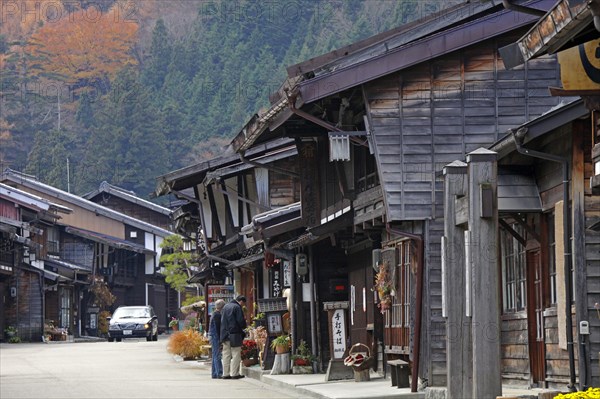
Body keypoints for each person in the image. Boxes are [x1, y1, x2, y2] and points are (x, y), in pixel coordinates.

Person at [220, 295, 247, 379]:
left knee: (226, 354)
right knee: (235, 354)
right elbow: (240, 321)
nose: (243, 306)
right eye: (243, 304)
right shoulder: (237, 307)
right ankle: (234, 373)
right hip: (234, 334)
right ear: (241, 301)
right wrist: (244, 328)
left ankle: (226, 374)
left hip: (224, 334)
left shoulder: (225, 307)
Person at [208, 299, 225, 379]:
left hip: (212, 335)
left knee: (215, 354)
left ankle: (214, 373)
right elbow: (218, 328)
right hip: (215, 336)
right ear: (222, 306)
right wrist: (221, 339)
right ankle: (219, 373)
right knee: (217, 355)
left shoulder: (214, 314)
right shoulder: (218, 315)